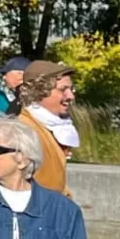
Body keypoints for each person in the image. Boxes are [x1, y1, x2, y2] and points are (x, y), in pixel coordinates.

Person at [15, 60, 78, 198]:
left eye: (71, 89)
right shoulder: (25, 132)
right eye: (63, 90)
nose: (71, 96)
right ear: (38, 92)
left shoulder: (45, 126)